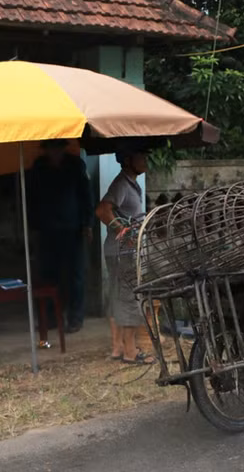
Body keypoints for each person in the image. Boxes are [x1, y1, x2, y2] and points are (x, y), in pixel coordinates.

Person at [95, 145, 154, 364]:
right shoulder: (121, 184)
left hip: (120, 252)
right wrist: (123, 230)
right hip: (123, 252)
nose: (147, 159)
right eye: (142, 155)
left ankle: (118, 347)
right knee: (129, 298)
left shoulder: (130, 184)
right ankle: (130, 351)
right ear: (128, 160)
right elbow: (102, 210)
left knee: (119, 297)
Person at [29, 139, 93, 333]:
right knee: (48, 275)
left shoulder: (75, 165)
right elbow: (32, 198)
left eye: (57, 148)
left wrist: (88, 224)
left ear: (63, 149)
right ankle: (51, 318)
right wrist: (33, 225)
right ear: (46, 150)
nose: (54, 152)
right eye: (51, 149)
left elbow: (86, 195)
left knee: (76, 275)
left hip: (73, 227)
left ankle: (75, 318)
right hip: (47, 229)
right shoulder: (39, 167)